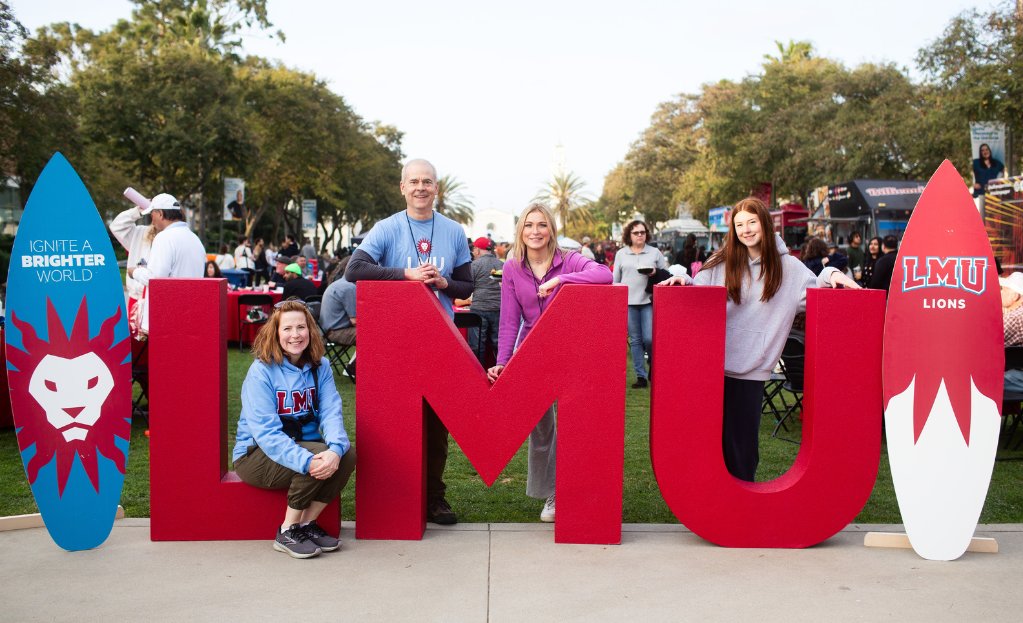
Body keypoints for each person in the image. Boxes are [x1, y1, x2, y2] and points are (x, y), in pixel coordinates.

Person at [664, 197, 859, 481]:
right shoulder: (721, 261)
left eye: (752, 222)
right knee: (707, 444)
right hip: (712, 367)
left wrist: (832, 272)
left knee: (742, 447)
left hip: (751, 369)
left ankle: (741, 511)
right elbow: (698, 293)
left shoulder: (789, 268)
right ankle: (714, 509)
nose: (746, 230)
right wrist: (681, 278)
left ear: (765, 224)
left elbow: (819, 285)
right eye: (739, 224)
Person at [345, 158, 473, 525]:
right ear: (402, 187)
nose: (420, 187)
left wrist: (443, 282)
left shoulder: (452, 230)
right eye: (414, 181)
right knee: (391, 424)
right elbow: (355, 270)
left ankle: (435, 497)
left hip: (439, 341)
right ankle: (394, 498)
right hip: (394, 342)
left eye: (427, 182)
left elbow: (468, 285)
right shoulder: (385, 229)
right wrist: (407, 274)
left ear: (436, 189)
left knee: (436, 425)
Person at [486, 202, 612, 521]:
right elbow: (509, 321)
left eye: (542, 225)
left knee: (571, 423)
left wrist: (563, 280)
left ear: (551, 230)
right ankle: (549, 492)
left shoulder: (568, 259)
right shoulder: (513, 267)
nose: (535, 231)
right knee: (541, 428)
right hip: (532, 354)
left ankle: (563, 490)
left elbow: (604, 274)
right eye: (529, 225)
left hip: (570, 352)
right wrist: (503, 361)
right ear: (521, 231)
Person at [233, 299, 356, 559]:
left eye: (301, 327)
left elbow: (331, 412)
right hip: (255, 456)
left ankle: (306, 525)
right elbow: (266, 434)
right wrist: (307, 461)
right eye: (287, 329)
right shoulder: (261, 371)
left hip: (305, 446)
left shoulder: (320, 367)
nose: (295, 335)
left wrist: (336, 449)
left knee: (347, 454)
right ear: (275, 333)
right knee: (315, 455)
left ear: (310, 331)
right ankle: (287, 531)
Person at [130, 193, 206, 334]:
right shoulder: (194, 238)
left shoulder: (164, 238)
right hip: (189, 313)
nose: (151, 220)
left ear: (160, 214)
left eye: (152, 214)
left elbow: (155, 278)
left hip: (167, 316)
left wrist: (134, 271)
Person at [613, 220, 667, 389]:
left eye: (642, 232)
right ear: (629, 234)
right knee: (635, 340)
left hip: (648, 301)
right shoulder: (621, 254)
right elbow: (615, 280)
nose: (640, 236)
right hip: (628, 302)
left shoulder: (654, 252)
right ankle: (641, 376)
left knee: (650, 339)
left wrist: (654, 272)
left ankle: (653, 365)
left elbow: (666, 275)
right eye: (636, 233)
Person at [109, 195, 157, 341]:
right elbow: (116, 226)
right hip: (136, 299)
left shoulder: (171, 238)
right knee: (135, 344)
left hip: (158, 301)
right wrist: (138, 210)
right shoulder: (139, 233)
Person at [463, 237, 504, 366]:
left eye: (474, 249)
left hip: (479, 309)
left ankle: (477, 375)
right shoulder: (502, 265)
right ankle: (501, 373)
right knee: (498, 344)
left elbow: (469, 287)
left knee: (477, 344)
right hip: (499, 308)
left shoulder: (474, 265)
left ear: (477, 250)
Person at [321, 257, 357, 348]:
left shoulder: (339, 284)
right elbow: (355, 321)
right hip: (336, 333)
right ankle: (358, 362)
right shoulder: (349, 287)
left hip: (328, 331)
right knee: (374, 334)